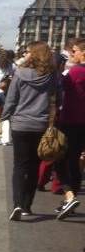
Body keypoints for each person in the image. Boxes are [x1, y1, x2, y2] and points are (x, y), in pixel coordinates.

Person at [2, 41, 61, 221]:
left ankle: (17, 204)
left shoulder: (19, 74)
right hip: (40, 125)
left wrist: (4, 117)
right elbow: (58, 98)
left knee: (20, 165)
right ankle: (27, 205)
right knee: (35, 165)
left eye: (28, 52)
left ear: (33, 54)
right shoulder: (51, 76)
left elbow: (11, 99)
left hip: (20, 124)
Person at [54, 38, 84, 219]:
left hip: (70, 121)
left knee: (60, 160)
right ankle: (68, 201)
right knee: (75, 162)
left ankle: (69, 195)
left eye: (75, 51)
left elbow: (58, 86)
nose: (72, 54)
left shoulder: (76, 72)